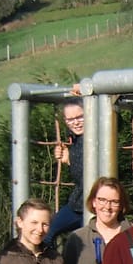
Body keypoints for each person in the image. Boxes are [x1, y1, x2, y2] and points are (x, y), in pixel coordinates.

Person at [45, 96, 87, 247]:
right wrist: (69, 160)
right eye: (70, 119)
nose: (75, 122)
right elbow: (81, 174)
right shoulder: (74, 139)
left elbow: (116, 122)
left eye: (80, 117)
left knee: (86, 243)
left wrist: (87, 92)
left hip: (95, 205)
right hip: (76, 204)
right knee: (46, 232)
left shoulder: (97, 133)